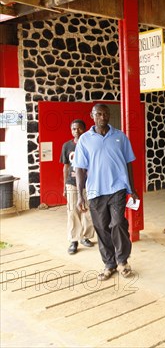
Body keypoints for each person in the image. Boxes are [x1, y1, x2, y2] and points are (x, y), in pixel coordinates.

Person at [73, 104, 138, 281]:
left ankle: (122, 261)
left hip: (117, 188)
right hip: (95, 191)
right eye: (99, 114)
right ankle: (109, 264)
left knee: (117, 223)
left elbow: (128, 164)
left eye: (106, 114)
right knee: (102, 228)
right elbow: (79, 169)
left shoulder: (120, 137)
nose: (103, 117)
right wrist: (80, 195)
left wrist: (132, 189)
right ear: (92, 116)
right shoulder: (85, 140)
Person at [60, 119, 95, 255]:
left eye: (79, 129)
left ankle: (85, 236)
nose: (76, 131)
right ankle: (74, 239)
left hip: (88, 183)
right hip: (72, 183)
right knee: (72, 211)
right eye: (74, 129)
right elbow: (65, 167)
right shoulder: (67, 146)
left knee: (87, 211)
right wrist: (64, 186)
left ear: (84, 130)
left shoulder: (90, 145)